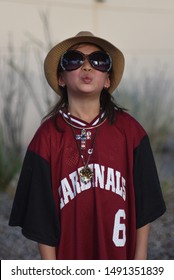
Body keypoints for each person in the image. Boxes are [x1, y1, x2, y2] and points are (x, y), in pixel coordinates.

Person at [9, 31, 166, 260]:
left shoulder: (131, 132)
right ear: (61, 78)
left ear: (108, 80)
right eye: (74, 59)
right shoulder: (46, 138)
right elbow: (41, 220)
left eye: (98, 61)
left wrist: (139, 266)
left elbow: (144, 210)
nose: (86, 66)